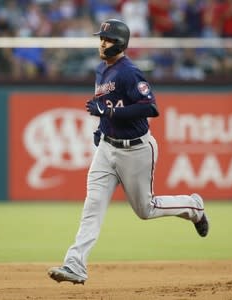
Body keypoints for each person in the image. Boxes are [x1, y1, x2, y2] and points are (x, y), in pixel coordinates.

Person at [48, 19, 209, 285]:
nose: (102, 42)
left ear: (120, 43)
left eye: (108, 39)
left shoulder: (129, 72)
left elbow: (150, 107)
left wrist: (110, 113)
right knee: (92, 207)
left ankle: (194, 206)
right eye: (101, 38)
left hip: (136, 149)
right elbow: (104, 104)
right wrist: (103, 126)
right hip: (107, 148)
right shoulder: (101, 70)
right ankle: (75, 264)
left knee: (145, 210)